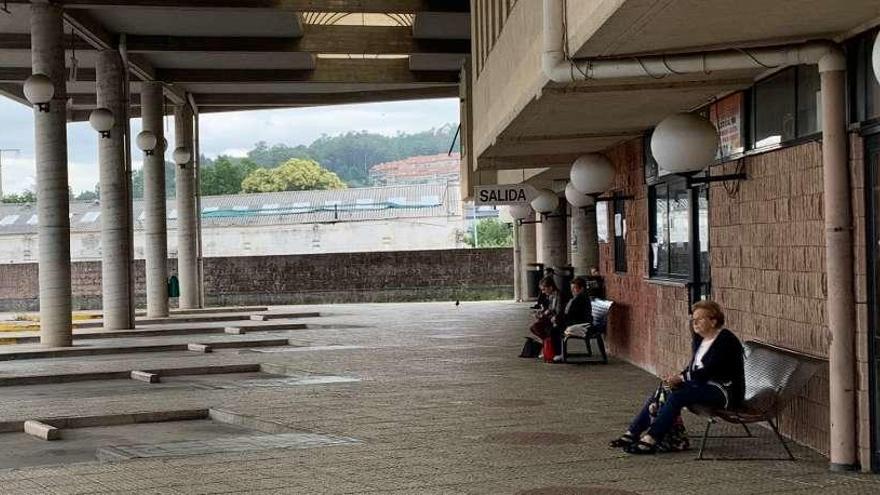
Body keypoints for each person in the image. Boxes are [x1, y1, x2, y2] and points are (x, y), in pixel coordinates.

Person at [610, 300, 745, 454]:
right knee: (664, 388)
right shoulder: (700, 339)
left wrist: (681, 378)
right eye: (693, 319)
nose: (695, 323)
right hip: (704, 385)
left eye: (699, 319)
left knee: (678, 396)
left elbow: (709, 371)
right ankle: (632, 432)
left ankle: (651, 438)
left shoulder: (725, 340)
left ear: (713, 321)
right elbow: (693, 368)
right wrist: (677, 377)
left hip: (725, 391)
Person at [530, 276, 566, 361]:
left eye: (544, 289)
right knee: (534, 327)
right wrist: (542, 313)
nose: (543, 292)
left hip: (558, 320)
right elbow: (550, 309)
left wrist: (545, 314)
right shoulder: (551, 296)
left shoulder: (558, 296)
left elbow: (558, 311)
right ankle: (547, 346)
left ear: (550, 287)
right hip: (552, 318)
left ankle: (548, 346)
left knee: (538, 327)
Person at [561, 277, 594, 347]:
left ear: (581, 289)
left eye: (574, 288)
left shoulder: (580, 299)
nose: (572, 291)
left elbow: (569, 313)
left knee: (555, 328)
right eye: (571, 289)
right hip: (579, 321)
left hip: (582, 324)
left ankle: (558, 352)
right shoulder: (578, 298)